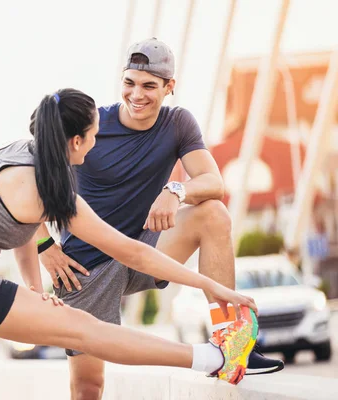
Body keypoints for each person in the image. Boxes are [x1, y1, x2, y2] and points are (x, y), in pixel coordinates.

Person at [0, 88, 259, 400]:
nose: (95, 145)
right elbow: (132, 252)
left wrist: (32, 292)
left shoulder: (17, 155)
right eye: (94, 136)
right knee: (84, 329)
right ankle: (212, 358)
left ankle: (212, 357)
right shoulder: (52, 188)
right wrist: (208, 284)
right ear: (76, 141)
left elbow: (23, 227)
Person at [34, 38, 283, 399]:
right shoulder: (90, 125)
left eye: (149, 85)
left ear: (169, 87)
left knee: (213, 213)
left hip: (146, 249)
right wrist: (44, 244)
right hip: (84, 269)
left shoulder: (177, 123)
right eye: (130, 83)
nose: (137, 94)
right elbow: (31, 177)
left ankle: (232, 344)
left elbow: (213, 181)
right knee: (88, 386)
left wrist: (175, 190)